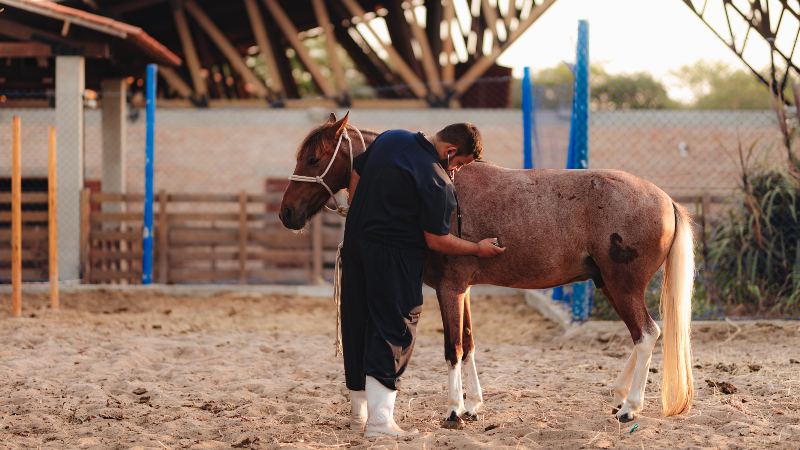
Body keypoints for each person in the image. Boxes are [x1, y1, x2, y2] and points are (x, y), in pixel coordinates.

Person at [340, 123, 505, 438]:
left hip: (356, 242)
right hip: (394, 254)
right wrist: (477, 249)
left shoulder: (392, 137)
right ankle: (379, 422)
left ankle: (357, 412)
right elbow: (438, 240)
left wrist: (362, 211)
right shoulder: (436, 180)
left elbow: (357, 173)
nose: (455, 171)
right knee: (394, 326)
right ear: (450, 151)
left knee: (357, 320)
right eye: (458, 164)